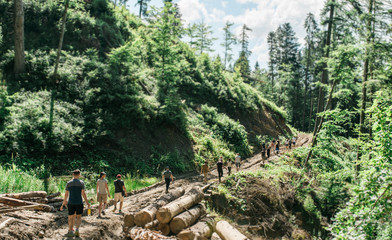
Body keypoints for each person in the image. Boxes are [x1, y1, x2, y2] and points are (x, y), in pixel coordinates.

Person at [60, 169, 91, 238]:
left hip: (71, 202)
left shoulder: (69, 183)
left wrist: (63, 203)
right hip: (79, 202)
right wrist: (87, 202)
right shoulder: (81, 183)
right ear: (79, 175)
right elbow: (83, 194)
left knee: (70, 217)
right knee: (78, 217)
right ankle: (77, 229)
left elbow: (66, 194)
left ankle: (70, 231)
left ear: (73, 175)